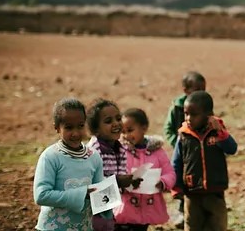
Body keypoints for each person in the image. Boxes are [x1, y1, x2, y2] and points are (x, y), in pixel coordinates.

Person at [33, 98, 104, 230]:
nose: (76, 133)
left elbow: (99, 194)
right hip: (53, 227)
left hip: (83, 227)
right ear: (56, 128)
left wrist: (109, 196)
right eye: (69, 127)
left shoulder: (94, 157)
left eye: (81, 126)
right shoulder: (50, 156)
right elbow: (41, 195)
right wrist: (82, 193)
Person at [171, 91, 238, 231]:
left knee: (217, 225)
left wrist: (221, 132)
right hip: (192, 192)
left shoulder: (217, 132)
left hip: (215, 191)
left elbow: (232, 149)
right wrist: (176, 186)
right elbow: (176, 162)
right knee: (192, 225)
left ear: (208, 115)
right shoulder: (183, 135)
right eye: (186, 113)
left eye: (194, 114)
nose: (189, 118)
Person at [114, 108, 177, 231]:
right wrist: (123, 180)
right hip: (125, 207)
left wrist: (163, 182)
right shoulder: (119, 151)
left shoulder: (157, 152)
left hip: (147, 206)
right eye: (123, 131)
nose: (126, 135)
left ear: (144, 128)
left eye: (130, 130)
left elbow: (169, 172)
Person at [87, 99, 142, 230]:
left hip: (108, 205)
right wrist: (117, 181)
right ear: (96, 130)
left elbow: (120, 175)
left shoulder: (120, 148)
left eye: (118, 118)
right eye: (108, 121)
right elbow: (90, 182)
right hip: (91, 209)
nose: (116, 123)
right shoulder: (93, 151)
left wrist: (129, 182)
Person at [164, 71, 206, 228]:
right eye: (197, 89)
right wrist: (178, 145)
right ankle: (183, 212)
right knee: (182, 180)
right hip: (182, 153)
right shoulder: (176, 107)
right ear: (186, 90)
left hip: (199, 152)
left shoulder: (205, 107)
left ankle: (201, 210)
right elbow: (168, 129)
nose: (201, 93)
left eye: (203, 89)